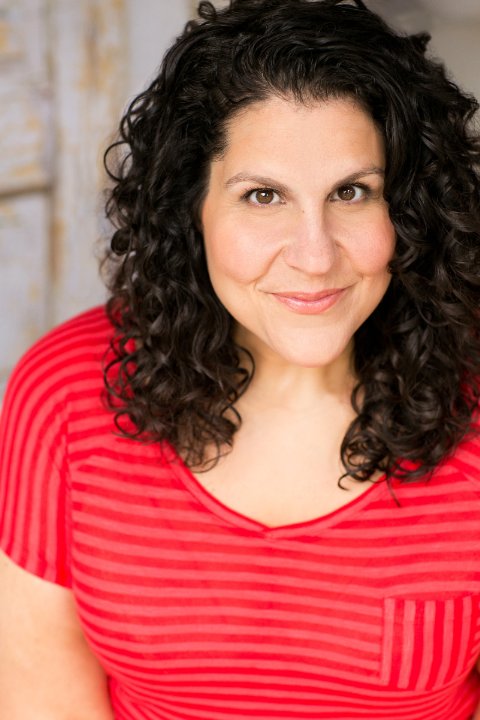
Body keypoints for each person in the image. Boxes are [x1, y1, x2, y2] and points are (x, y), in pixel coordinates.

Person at [1, 0, 480, 717]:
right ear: (190, 211)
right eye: (263, 196)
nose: (315, 256)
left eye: (351, 192)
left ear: (408, 210)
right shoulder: (63, 394)